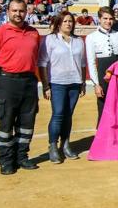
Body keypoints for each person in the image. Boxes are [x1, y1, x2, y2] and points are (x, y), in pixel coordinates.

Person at [0, 0, 40, 175]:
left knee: (27, 123)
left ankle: (22, 157)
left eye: (21, 11)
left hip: (28, 81)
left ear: (26, 12)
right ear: (8, 12)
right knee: (6, 122)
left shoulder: (33, 33)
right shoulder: (0, 32)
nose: (18, 14)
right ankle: (6, 161)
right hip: (7, 81)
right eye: (14, 11)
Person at [38, 11, 86, 164]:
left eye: (70, 21)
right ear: (58, 23)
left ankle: (65, 144)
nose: (68, 24)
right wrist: (46, 85)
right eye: (65, 21)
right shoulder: (50, 40)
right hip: (57, 82)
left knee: (68, 114)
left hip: (74, 82)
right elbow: (42, 63)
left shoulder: (78, 41)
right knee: (58, 114)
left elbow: (83, 64)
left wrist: (83, 82)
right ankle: (53, 146)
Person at [85, 7, 118, 123]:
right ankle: (103, 138)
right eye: (105, 18)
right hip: (102, 73)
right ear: (99, 19)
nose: (108, 21)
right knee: (103, 106)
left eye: (110, 19)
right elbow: (91, 62)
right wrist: (96, 84)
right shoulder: (91, 37)